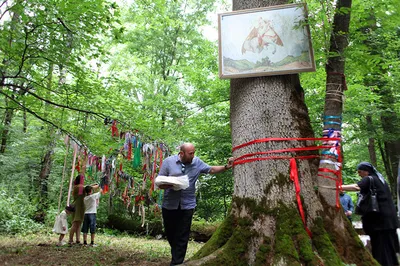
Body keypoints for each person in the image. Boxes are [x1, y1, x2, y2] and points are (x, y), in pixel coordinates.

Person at [158, 143, 234, 266]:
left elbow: (211, 169)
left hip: (187, 205)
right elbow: (159, 182)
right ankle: (176, 256)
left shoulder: (197, 162)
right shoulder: (168, 162)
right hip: (169, 204)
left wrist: (226, 166)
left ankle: (177, 263)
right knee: (171, 233)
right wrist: (171, 184)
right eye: (190, 153)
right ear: (181, 153)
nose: (193, 155)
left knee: (183, 235)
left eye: (194, 152)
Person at [341, 162, 399, 266]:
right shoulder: (381, 180)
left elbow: (356, 187)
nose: (359, 174)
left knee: (380, 246)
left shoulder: (369, 179)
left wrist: (338, 187)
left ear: (366, 171)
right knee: (388, 246)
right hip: (388, 220)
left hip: (379, 222)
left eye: (360, 172)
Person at [68, 174, 85, 246]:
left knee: (79, 224)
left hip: (80, 206)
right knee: (75, 223)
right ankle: (70, 239)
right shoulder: (78, 187)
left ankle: (78, 239)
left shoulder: (79, 187)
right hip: (77, 207)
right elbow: (87, 188)